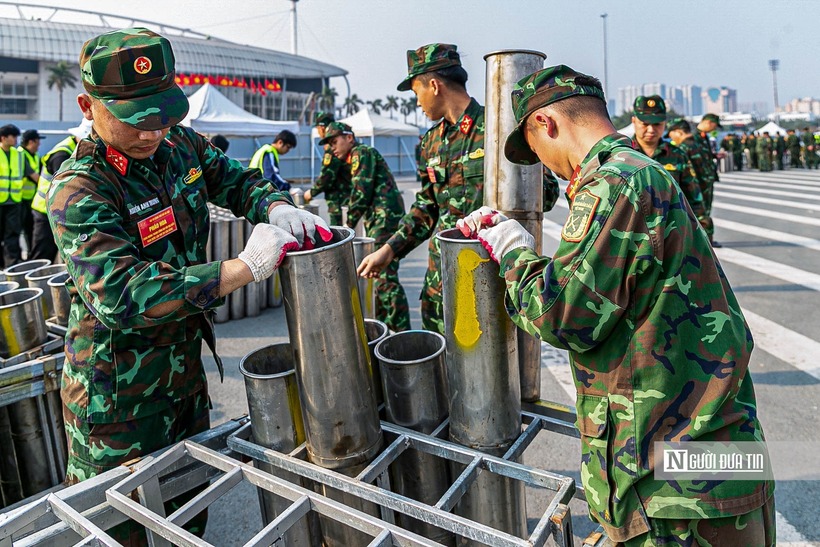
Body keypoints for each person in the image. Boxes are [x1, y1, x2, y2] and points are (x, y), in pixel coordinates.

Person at [457, 65, 774, 546]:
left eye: (535, 151)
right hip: (704, 470)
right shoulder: (641, 173)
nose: (542, 164)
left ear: (547, 125)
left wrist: (513, 249)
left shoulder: (615, 182)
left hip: (677, 491)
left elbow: (562, 315)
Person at [47, 27, 330, 545]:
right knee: (122, 530)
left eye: (162, 114)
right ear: (89, 107)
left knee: (188, 512)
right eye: (136, 120)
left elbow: (234, 179)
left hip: (182, 380)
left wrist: (274, 206)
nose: (152, 132)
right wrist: (242, 268)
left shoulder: (177, 145)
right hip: (117, 405)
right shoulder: (79, 189)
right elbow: (123, 293)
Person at [358, 43, 559, 334]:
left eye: (417, 92)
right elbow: (425, 209)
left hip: (494, 278)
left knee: (494, 373)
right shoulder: (430, 143)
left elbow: (546, 196)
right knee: (442, 369)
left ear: (435, 85)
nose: (417, 102)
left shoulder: (499, 129)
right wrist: (388, 250)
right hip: (442, 283)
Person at [320, 122, 410, 331]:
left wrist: (346, 227)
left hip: (385, 217)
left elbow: (361, 193)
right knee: (380, 275)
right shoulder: (355, 157)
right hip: (379, 218)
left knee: (384, 276)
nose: (332, 148)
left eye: (334, 141)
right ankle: (387, 328)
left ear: (349, 138)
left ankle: (399, 331)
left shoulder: (361, 153)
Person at [630, 96, 704, 218]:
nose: (651, 129)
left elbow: (694, 199)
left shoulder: (677, 155)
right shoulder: (624, 154)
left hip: (671, 231)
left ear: (665, 123)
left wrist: (702, 231)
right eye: (645, 124)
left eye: (657, 124)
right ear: (634, 121)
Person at [30, 119, 92, 262]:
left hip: (61, 211)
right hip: (45, 211)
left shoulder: (78, 148)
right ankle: (37, 281)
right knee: (42, 253)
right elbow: (68, 188)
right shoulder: (62, 154)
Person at [666, 117, 712, 236]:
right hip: (706, 188)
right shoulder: (699, 143)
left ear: (679, 132)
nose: (672, 139)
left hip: (694, 192)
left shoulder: (682, 149)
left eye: (671, 135)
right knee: (704, 219)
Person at [304, 112, 351, 225]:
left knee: (341, 234)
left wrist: (311, 193)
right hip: (345, 197)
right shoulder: (340, 143)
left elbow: (327, 176)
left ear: (321, 127)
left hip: (339, 199)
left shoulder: (332, 147)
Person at [0, 124, 29, 267]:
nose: (16, 139)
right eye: (13, 136)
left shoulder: (19, 154)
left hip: (14, 201)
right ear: (3, 138)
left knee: (12, 235)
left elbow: (30, 173)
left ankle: (10, 265)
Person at [693, 113, 721, 247]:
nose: (714, 129)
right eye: (714, 126)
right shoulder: (693, 136)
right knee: (700, 211)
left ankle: (706, 239)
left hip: (706, 179)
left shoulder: (703, 137)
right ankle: (702, 240)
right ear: (709, 123)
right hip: (699, 181)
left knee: (706, 210)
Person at [18, 129, 45, 255]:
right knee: (19, 231)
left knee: (29, 230)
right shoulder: (21, 154)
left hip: (30, 199)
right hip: (20, 199)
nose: (39, 144)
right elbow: (35, 177)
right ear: (31, 141)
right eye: (38, 141)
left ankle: (29, 255)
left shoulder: (34, 156)